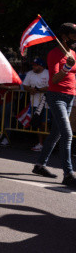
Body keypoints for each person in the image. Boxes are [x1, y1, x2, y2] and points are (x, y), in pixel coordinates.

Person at [32, 23, 76, 188]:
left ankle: (40, 165)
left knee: (56, 135)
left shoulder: (73, 53)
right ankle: (68, 174)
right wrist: (67, 67)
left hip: (70, 97)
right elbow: (54, 80)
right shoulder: (54, 54)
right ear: (64, 37)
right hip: (56, 96)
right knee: (67, 134)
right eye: (73, 36)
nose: (75, 40)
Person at [22, 57, 49, 151]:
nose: (33, 67)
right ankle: (41, 144)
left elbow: (50, 87)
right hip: (34, 103)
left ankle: (48, 144)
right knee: (38, 124)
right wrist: (30, 89)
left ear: (41, 66)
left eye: (35, 65)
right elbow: (25, 85)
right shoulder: (30, 73)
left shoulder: (48, 73)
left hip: (46, 104)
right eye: (33, 65)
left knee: (45, 124)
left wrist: (38, 90)